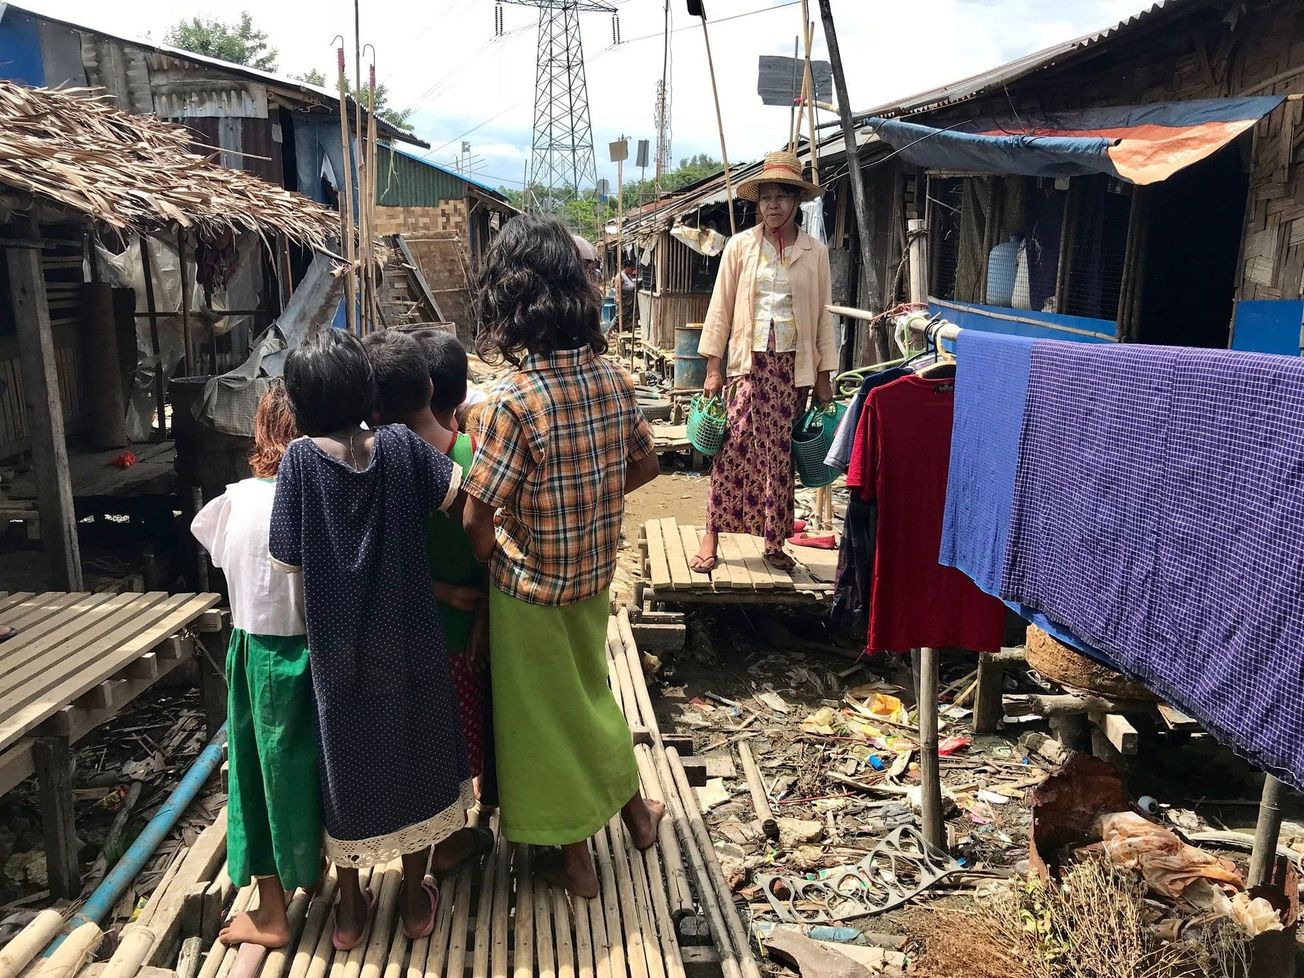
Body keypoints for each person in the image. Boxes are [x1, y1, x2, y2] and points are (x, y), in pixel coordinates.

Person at [462, 214, 664, 898]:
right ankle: (637, 814)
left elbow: (477, 514)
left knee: (544, 724)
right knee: (590, 699)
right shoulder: (613, 379)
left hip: (530, 590)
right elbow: (644, 468)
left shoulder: (512, 402)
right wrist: (589, 506)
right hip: (592, 575)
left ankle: (577, 860)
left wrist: (496, 558)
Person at [269, 328, 470, 950]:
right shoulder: (402, 446)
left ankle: (351, 910)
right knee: (417, 758)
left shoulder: (299, 462)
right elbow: (455, 493)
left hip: (339, 651)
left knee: (347, 766)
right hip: (411, 639)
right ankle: (414, 900)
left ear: (300, 404)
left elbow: (285, 554)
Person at [190, 382, 320, 949]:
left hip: (261, 653)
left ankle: (271, 913)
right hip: (321, 651)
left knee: (260, 779)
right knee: (321, 771)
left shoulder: (232, 503)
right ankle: (335, 884)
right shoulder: (321, 495)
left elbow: (224, 556)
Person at [363, 328, 496, 873]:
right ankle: (460, 834)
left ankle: (430, 839)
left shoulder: (371, 465)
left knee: (420, 738)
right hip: (468, 631)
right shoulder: (469, 454)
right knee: (468, 731)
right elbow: (492, 538)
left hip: (402, 637)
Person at [692, 150, 835, 574]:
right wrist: (713, 367)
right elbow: (720, 306)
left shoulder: (815, 252)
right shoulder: (740, 246)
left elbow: (824, 316)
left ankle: (774, 542)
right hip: (747, 365)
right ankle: (711, 533)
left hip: (792, 370)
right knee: (732, 447)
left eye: (781, 197)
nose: (773, 205)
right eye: (766, 197)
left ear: (796, 202)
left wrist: (825, 375)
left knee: (779, 455)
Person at [618, 256, 639, 332]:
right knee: (620, 316)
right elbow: (618, 288)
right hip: (624, 300)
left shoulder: (628, 276)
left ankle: (628, 329)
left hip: (629, 300)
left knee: (629, 317)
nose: (632, 271)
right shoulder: (621, 276)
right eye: (631, 269)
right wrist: (619, 299)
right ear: (626, 268)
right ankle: (611, 330)